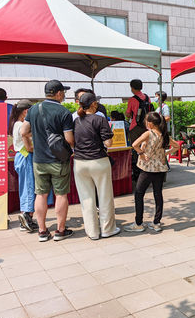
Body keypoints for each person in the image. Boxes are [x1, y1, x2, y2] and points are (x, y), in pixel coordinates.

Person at [20, 80, 75, 242]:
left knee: (41, 195)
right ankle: (60, 230)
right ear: (58, 93)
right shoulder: (64, 112)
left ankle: (43, 231)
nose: (64, 95)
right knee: (61, 195)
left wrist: (30, 146)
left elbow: (23, 131)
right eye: (63, 92)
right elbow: (69, 139)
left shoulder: (34, 109)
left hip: (39, 160)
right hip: (58, 160)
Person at [73, 92, 120, 240]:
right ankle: (107, 229)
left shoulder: (76, 121)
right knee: (105, 196)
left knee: (86, 199)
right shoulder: (100, 119)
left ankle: (92, 232)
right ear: (93, 104)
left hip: (79, 163)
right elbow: (108, 143)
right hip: (98, 161)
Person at [124, 112, 180, 233]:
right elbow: (176, 146)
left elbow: (134, 144)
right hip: (160, 169)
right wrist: (164, 154)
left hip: (148, 169)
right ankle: (156, 222)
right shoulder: (164, 135)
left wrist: (141, 153)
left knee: (139, 194)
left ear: (150, 123)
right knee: (158, 194)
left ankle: (138, 223)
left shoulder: (148, 133)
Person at [9, 99, 38, 232]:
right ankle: (27, 217)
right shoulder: (21, 125)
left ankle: (27, 216)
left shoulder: (15, 123)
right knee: (29, 186)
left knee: (26, 186)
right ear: (26, 111)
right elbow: (26, 135)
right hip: (26, 155)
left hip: (20, 156)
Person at [125, 79, 153, 184]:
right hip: (147, 127)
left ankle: (138, 174)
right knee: (146, 149)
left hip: (135, 127)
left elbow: (128, 114)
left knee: (136, 150)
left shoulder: (132, 100)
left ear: (132, 88)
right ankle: (148, 172)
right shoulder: (147, 97)